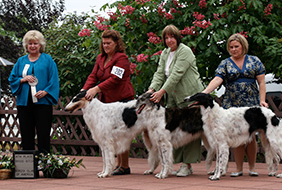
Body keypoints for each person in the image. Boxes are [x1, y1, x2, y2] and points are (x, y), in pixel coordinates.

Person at [202, 33, 268, 177]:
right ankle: (238, 168)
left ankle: (252, 167)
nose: (233, 49)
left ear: (243, 46)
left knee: (251, 136)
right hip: (232, 103)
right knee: (235, 135)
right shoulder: (225, 63)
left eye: (236, 46)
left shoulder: (254, 61)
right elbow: (218, 79)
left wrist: (262, 100)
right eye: (231, 47)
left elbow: (261, 82)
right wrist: (205, 92)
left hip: (251, 103)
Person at [147, 24, 204, 177]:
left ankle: (187, 164)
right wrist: (151, 90)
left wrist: (161, 92)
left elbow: (176, 74)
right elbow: (160, 73)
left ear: (178, 37)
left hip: (189, 95)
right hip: (172, 96)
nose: (169, 40)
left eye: (172, 37)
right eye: (166, 38)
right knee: (173, 130)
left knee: (189, 129)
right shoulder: (165, 53)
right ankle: (175, 163)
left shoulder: (185, 51)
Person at [82, 29, 135, 175]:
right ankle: (117, 165)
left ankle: (124, 165)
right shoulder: (100, 58)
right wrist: (84, 90)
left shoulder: (122, 58)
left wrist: (96, 89)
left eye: (109, 43)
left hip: (123, 101)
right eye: (104, 43)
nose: (106, 45)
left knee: (122, 132)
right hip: (107, 102)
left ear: (116, 43)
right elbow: (93, 76)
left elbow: (115, 79)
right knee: (111, 133)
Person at [9, 30, 59, 154]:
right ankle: (28, 167)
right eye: (30, 43)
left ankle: (44, 164)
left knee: (43, 135)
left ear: (40, 44)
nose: (32, 46)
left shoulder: (48, 60)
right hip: (24, 104)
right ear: (26, 45)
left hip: (43, 103)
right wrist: (22, 79)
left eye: (35, 43)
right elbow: (12, 79)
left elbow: (54, 79)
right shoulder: (21, 61)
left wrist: (46, 92)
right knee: (26, 135)